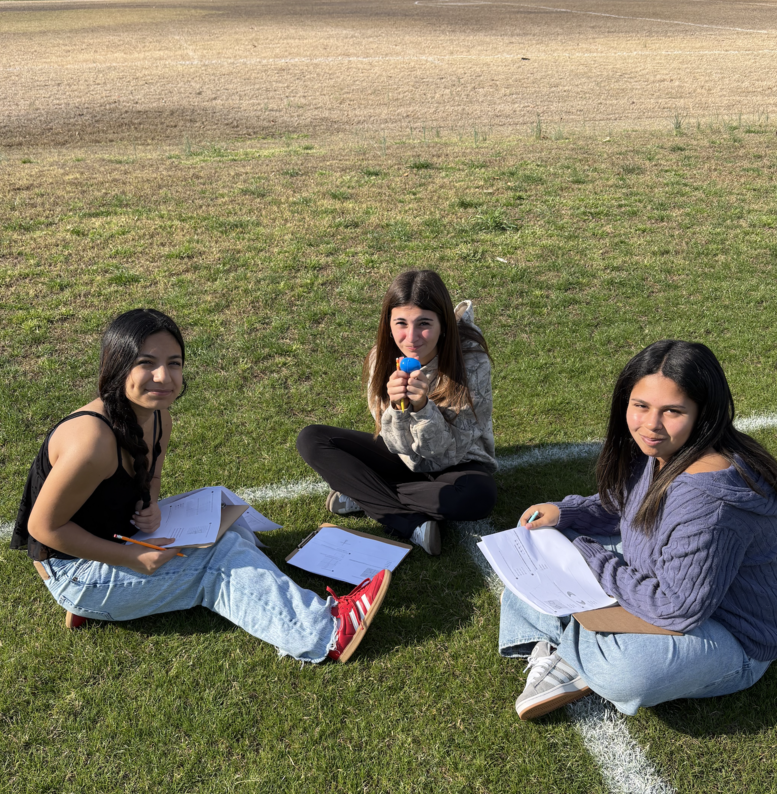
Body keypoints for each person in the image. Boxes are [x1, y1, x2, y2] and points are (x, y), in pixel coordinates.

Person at [11, 308, 390, 663]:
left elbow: (151, 476)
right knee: (217, 557)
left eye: (173, 364)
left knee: (224, 520)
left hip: (118, 538)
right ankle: (324, 633)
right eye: (147, 363)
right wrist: (132, 559)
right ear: (117, 367)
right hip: (76, 575)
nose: (164, 377)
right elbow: (42, 529)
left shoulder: (159, 418)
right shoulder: (92, 441)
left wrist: (152, 505)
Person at [500, 339, 777, 720]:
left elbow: (677, 608)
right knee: (534, 543)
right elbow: (625, 507)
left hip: (727, 631)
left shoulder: (710, 501)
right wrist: (565, 514)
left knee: (628, 672)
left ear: (703, 414)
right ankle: (576, 642)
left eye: (672, 411)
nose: (650, 425)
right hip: (662, 582)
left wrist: (591, 557)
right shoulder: (665, 450)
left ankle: (567, 646)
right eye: (641, 405)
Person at [296, 269, 497, 556]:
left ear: (443, 324)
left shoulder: (471, 361)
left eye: (424, 323)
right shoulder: (382, 357)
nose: (411, 337)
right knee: (311, 438)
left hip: (457, 462)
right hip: (404, 457)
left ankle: (363, 491)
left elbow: (448, 451)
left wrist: (423, 408)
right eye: (401, 323)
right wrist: (399, 408)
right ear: (388, 324)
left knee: (479, 497)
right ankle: (405, 521)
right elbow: (395, 445)